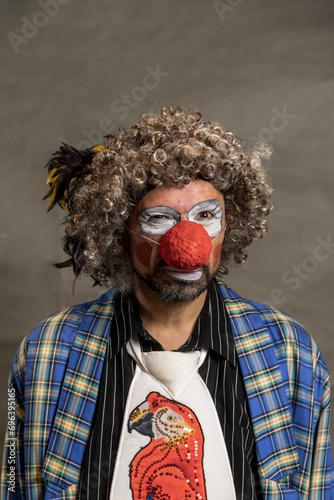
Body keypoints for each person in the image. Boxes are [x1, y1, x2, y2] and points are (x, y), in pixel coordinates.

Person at [1, 106, 333, 499]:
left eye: (206, 214)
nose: (186, 244)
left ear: (232, 222)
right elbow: (15, 485)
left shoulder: (288, 352)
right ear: (118, 232)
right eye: (158, 218)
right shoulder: (47, 352)